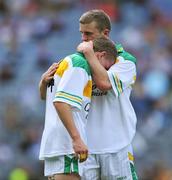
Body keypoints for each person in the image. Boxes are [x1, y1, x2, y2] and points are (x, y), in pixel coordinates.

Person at [39, 9, 138, 180]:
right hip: (85, 147)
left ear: (105, 33)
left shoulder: (125, 61)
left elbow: (105, 83)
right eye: (81, 33)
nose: (83, 39)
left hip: (117, 146)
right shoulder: (78, 62)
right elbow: (53, 97)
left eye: (88, 34)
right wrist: (43, 83)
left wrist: (90, 53)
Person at [39, 37, 118, 180]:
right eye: (106, 67)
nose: (103, 71)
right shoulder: (80, 65)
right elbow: (60, 103)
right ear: (101, 55)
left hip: (56, 142)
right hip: (66, 143)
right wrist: (76, 139)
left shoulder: (67, 61)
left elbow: (45, 96)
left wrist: (42, 83)